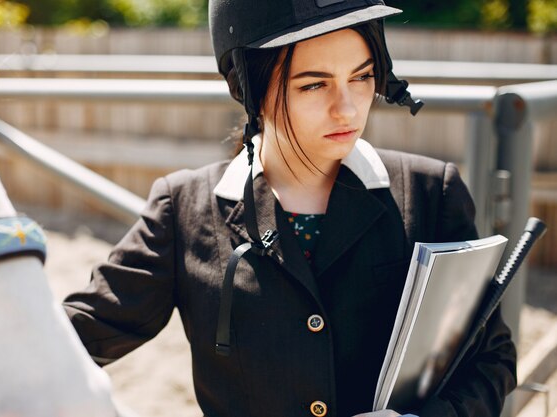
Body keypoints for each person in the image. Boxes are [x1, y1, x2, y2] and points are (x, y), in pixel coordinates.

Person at [63, 1, 516, 416]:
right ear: (249, 86)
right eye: (314, 84)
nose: (348, 108)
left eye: (361, 76)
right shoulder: (183, 209)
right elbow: (75, 335)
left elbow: (491, 360)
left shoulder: (430, 193)